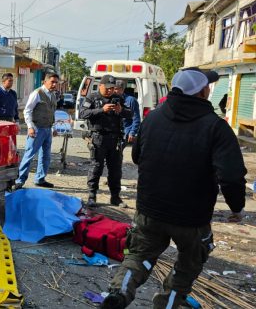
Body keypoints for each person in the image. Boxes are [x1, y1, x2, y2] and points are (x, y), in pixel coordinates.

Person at [101, 69, 246, 309]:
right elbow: (231, 176)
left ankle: (119, 294)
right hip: (191, 217)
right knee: (188, 264)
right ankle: (166, 304)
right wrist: (237, 207)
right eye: (208, 86)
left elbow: (137, 156)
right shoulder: (216, 127)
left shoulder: (153, 119)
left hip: (150, 209)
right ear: (202, 91)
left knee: (139, 256)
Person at [79, 74, 132, 208]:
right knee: (96, 167)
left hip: (115, 139)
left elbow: (130, 113)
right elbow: (83, 113)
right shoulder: (92, 97)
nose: (110, 91)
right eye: (107, 88)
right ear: (101, 85)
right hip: (98, 138)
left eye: (112, 88)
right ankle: (92, 195)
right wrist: (101, 110)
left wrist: (121, 110)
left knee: (115, 170)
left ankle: (115, 197)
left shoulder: (118, 98)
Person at [14, 72, 59, 189]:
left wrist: (53, 127)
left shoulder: (53, 95)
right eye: (52, 82)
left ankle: (40, 179)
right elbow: (27, 111)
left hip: (47, 129)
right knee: (29, 155)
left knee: (46, 156)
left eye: (56, 83)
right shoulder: (37, 93)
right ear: (45, 81)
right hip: (37, 129)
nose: (54, 85)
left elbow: (52, 113)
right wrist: (30, 127)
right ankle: (20, 180)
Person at [114, 80, 141, 146]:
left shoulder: (131, 100)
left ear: (122, 89)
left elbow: (136, 118)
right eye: (113, 89)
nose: (114, 91)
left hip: (125, 131)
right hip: (113, 131)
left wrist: (132, 132)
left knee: (118, 152)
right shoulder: (110, 99)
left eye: (116, 89)